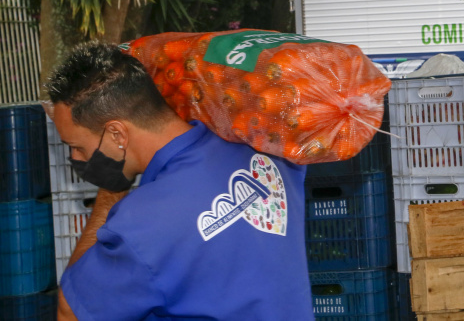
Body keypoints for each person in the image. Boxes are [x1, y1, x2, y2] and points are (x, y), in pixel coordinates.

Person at [45, 42, 314, 321]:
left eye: (75, 145)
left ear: (117, 134)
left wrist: (110, 190)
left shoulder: (139, 226)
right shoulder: (266, 147)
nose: (75, 156)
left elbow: (72, 312)